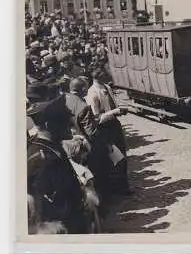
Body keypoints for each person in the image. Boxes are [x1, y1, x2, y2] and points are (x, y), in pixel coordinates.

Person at [26, 83, 87, 234]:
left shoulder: (52, 148)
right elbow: (43, 209)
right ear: (49, 124)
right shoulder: (40, 160)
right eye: (62, 122)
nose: (68, 127)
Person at [85, 69, 131, 195]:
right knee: (113, 157)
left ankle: (124, 186)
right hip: (104, 128)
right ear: (97, 77)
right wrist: (114, 112)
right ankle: (115, 188)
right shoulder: (93, 93)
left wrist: (118, 110)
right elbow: (97, 118)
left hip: (114, 124)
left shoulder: (106, 87)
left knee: (122, 155)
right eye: (104, 74)